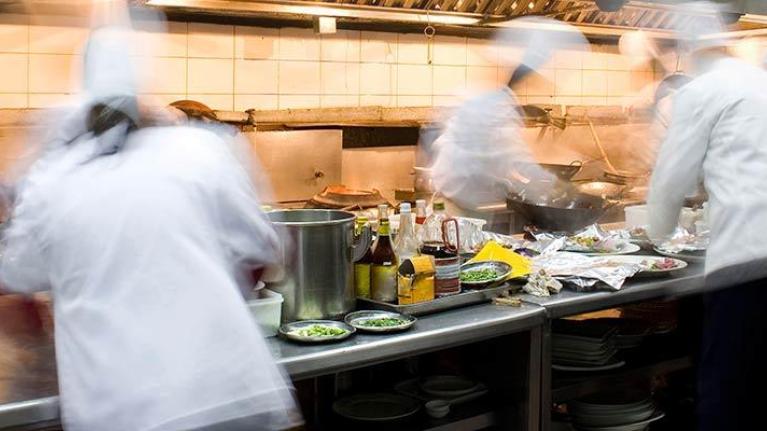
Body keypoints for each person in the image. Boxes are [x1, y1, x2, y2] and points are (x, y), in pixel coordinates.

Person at [0, 18, 300, 431]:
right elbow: (263, 252)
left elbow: (14, 286)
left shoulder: (52, 179)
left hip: (125, 409)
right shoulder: (203, 149)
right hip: (232, 394)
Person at [646, 3, 767, 429]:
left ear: (686, 48)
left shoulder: (701, 90)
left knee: (725, 394)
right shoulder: (760, 80)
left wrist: (652, 241)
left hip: (747, 265)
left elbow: (669, 181)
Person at [429, 17, 588, 224]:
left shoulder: (495, 99)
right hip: (457, 214)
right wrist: (555, 184)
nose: (543, 85)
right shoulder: (493, 105)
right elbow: (514, 158)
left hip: (470, 207)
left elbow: (501, 161)